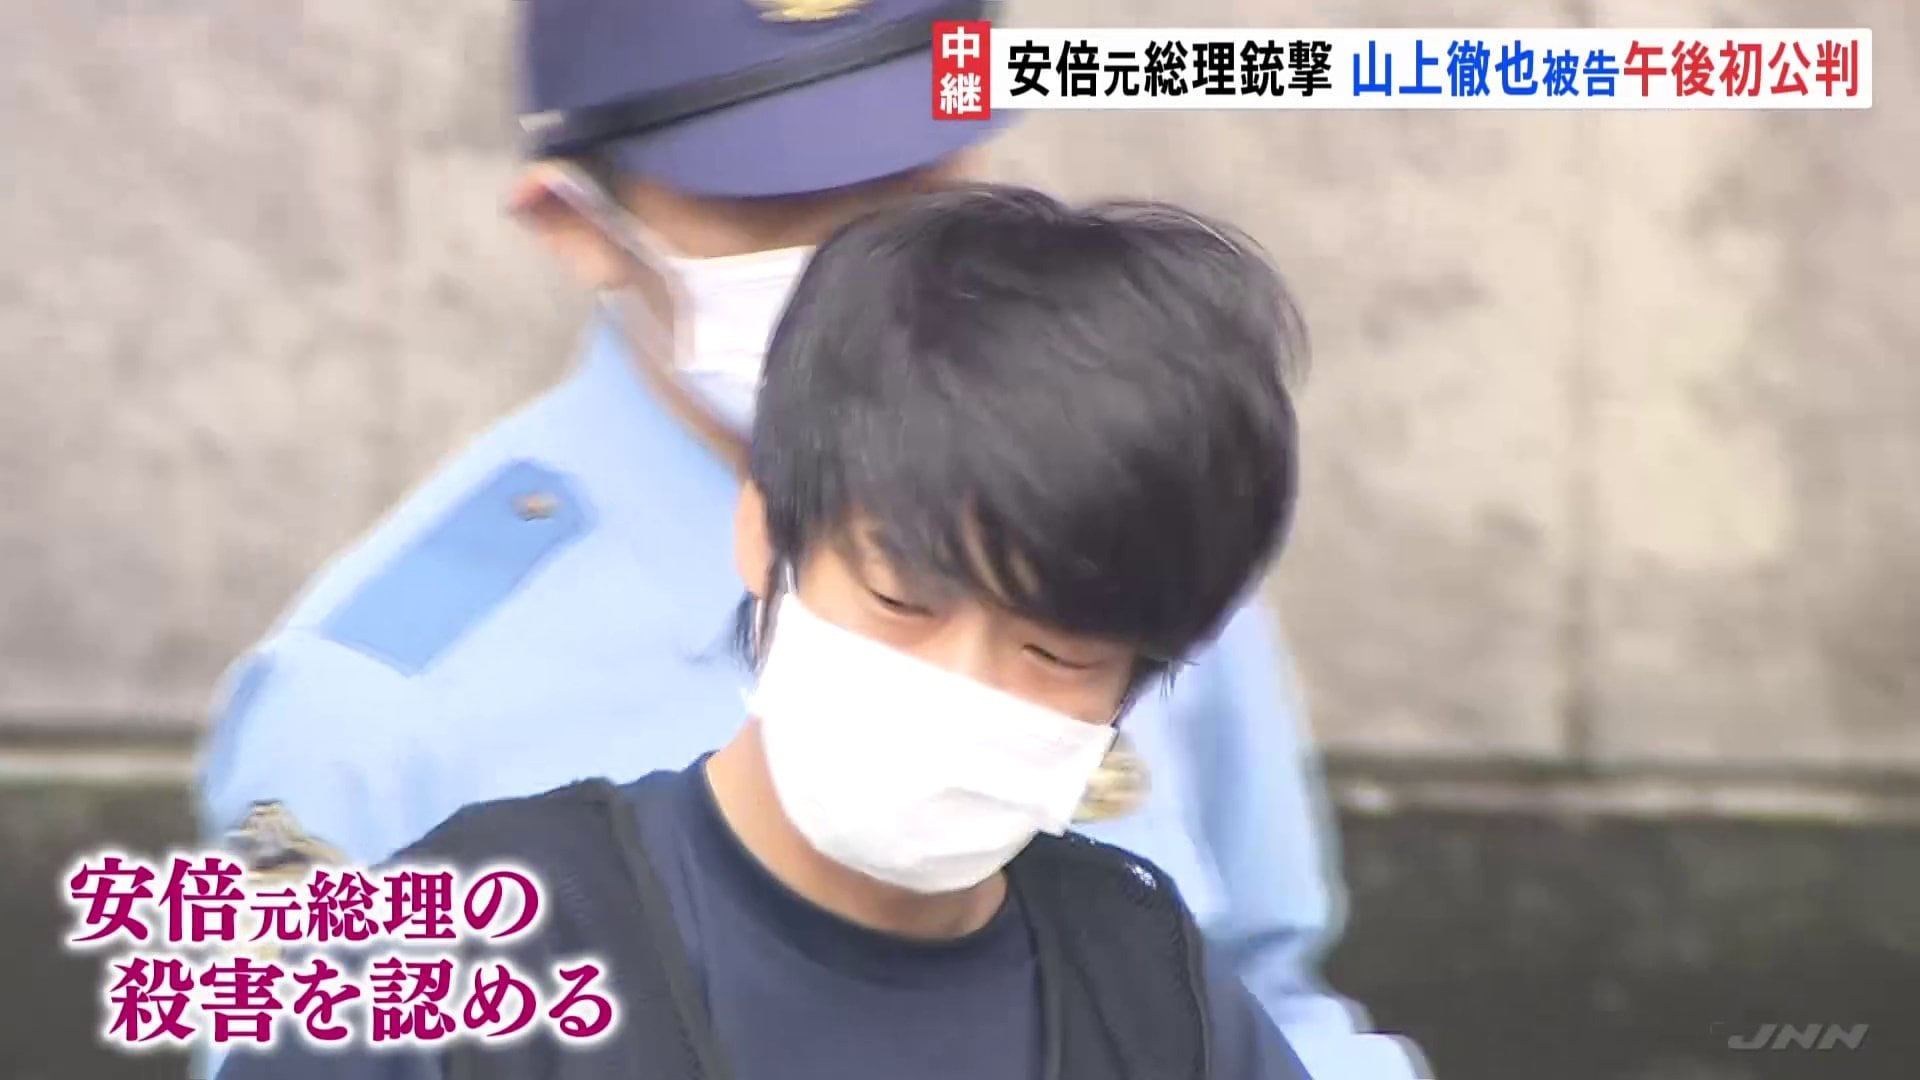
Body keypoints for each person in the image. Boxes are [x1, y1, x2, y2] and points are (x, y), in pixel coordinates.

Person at [194, 1, 1425, 1077]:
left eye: (906, 186)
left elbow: (1260, 986)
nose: (857, 257)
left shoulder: (1123, 527)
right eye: (766, 205)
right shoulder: (377, 700)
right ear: (574, 221)